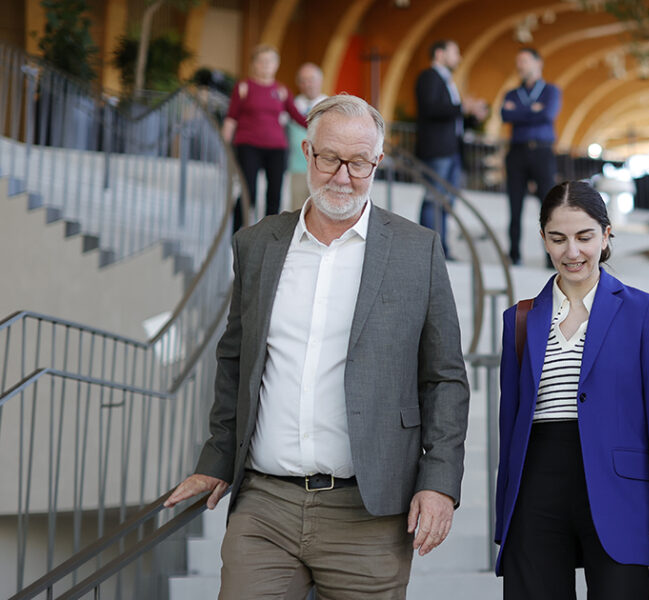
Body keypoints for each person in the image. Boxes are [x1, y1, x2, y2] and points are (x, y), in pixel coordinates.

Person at [165, 94, 470, 600]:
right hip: (265, 504)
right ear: (307, 152)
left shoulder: (418, 251)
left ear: (377, 162)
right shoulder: (258, 244)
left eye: (359, 163)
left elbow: (444, 377)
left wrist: (439, 482)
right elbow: (235, 360)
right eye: (330, 158)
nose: (343, 176)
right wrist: (216, 458)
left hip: (369, 513)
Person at [495, 181, 649, 599]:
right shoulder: (520, 319)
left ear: (605, 235)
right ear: (543, 239)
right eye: (558, 238)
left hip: (617, 488)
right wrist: (504, 519)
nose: (572, 252)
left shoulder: (640, 310)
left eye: (584, 237)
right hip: (537, 486)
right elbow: (508, 426)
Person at [415, 39, 488, 259]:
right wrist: (461, 107)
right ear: (440, 54)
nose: (459, 57)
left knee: (446, 202)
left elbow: (452, 120)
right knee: (433, 198)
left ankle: (441, 249)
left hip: (453, 149)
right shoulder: (429, 77)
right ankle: (428, 250)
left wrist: (471, 116)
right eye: (455, 52)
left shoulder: (449, 81)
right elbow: (430, 108)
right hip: (437, 150)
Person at [223, 45, 308, 231]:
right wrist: (223, 146)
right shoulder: (244, 87)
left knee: (274, 195)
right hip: (248, 145)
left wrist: (322, 124)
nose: (265, 65)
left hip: (276, 148)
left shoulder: (282, 91)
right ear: (254, 64)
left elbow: (298, 117)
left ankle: (268, 235)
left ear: (276, 65)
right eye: (261, 61)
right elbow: (231, 118)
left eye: (270, 61)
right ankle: (236, 233)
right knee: (249, 193)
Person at [501, 48, 562, 266]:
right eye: (518, 61)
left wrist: (520, 111)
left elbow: (548, 114)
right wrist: (532, 110)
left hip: (542, 152)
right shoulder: (511, 93)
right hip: (517, 152)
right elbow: (505, 114)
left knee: (548, 207)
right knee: (514, 205)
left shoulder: (551, 91)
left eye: (524, 60)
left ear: (538, 63)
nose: (520, 65)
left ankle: (550, 257)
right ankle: (514, 254)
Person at [285, 62, 327, 212]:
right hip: (298, 168)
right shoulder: (291, 106)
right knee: (297, 211)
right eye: (303, 80)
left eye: (311, 79)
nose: (307, 84)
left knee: (322, 211)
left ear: (320, 81)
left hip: (323, 168)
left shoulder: (331, 106)